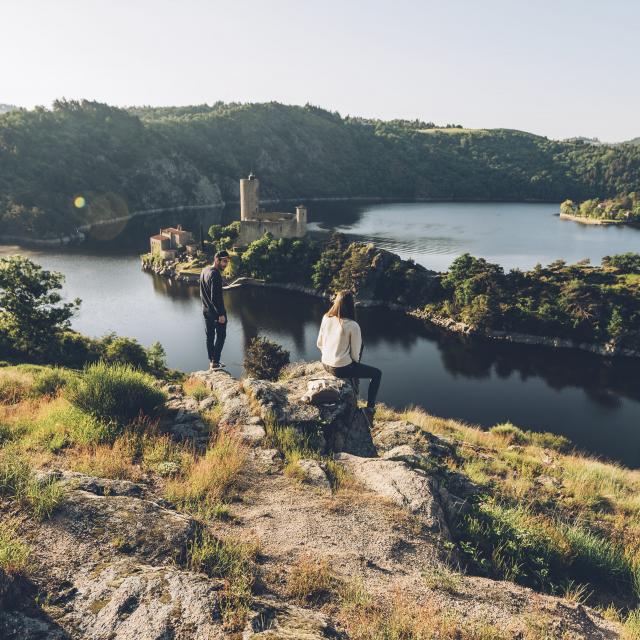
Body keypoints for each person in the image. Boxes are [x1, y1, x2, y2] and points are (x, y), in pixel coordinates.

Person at [316, 290, 382, 426]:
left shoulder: (326, 318)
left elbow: (319, 344)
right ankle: (370, 409)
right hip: (340, 368)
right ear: (351, 305)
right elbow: (355, 356)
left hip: (325, 363)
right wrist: (352, 369)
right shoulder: (353, 325)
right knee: (377, 374)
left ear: (336, 303)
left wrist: (331, 355)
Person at [200, 250, 230, 370]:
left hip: (206, 310)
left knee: (210, 336)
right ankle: (215, 362)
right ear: (216, 260)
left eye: (227, 261)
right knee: (221, 335)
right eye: (224, 261)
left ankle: (212, 361)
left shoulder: (205, 270)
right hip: (216, 312)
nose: (226, 264)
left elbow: (202, 294)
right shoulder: (215, 275)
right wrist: (221, 314)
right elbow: (215, 297)